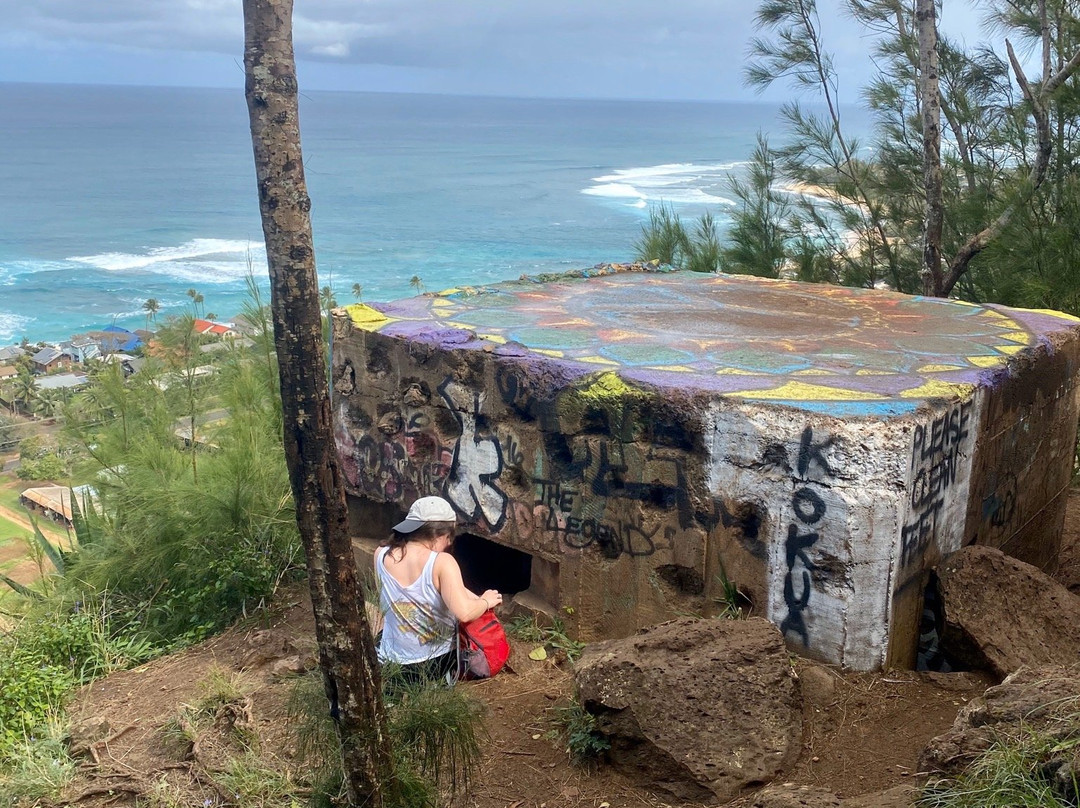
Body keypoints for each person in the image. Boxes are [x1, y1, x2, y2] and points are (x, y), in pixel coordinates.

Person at [375, 495, 503, 682]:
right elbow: (465, 613)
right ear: (440, 535)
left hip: (390, 660)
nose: (448, 544)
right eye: (449, 539)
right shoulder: (442, 562)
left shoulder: (381, 554)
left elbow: (403, 597)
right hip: (431, 664)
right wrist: (485, 601)